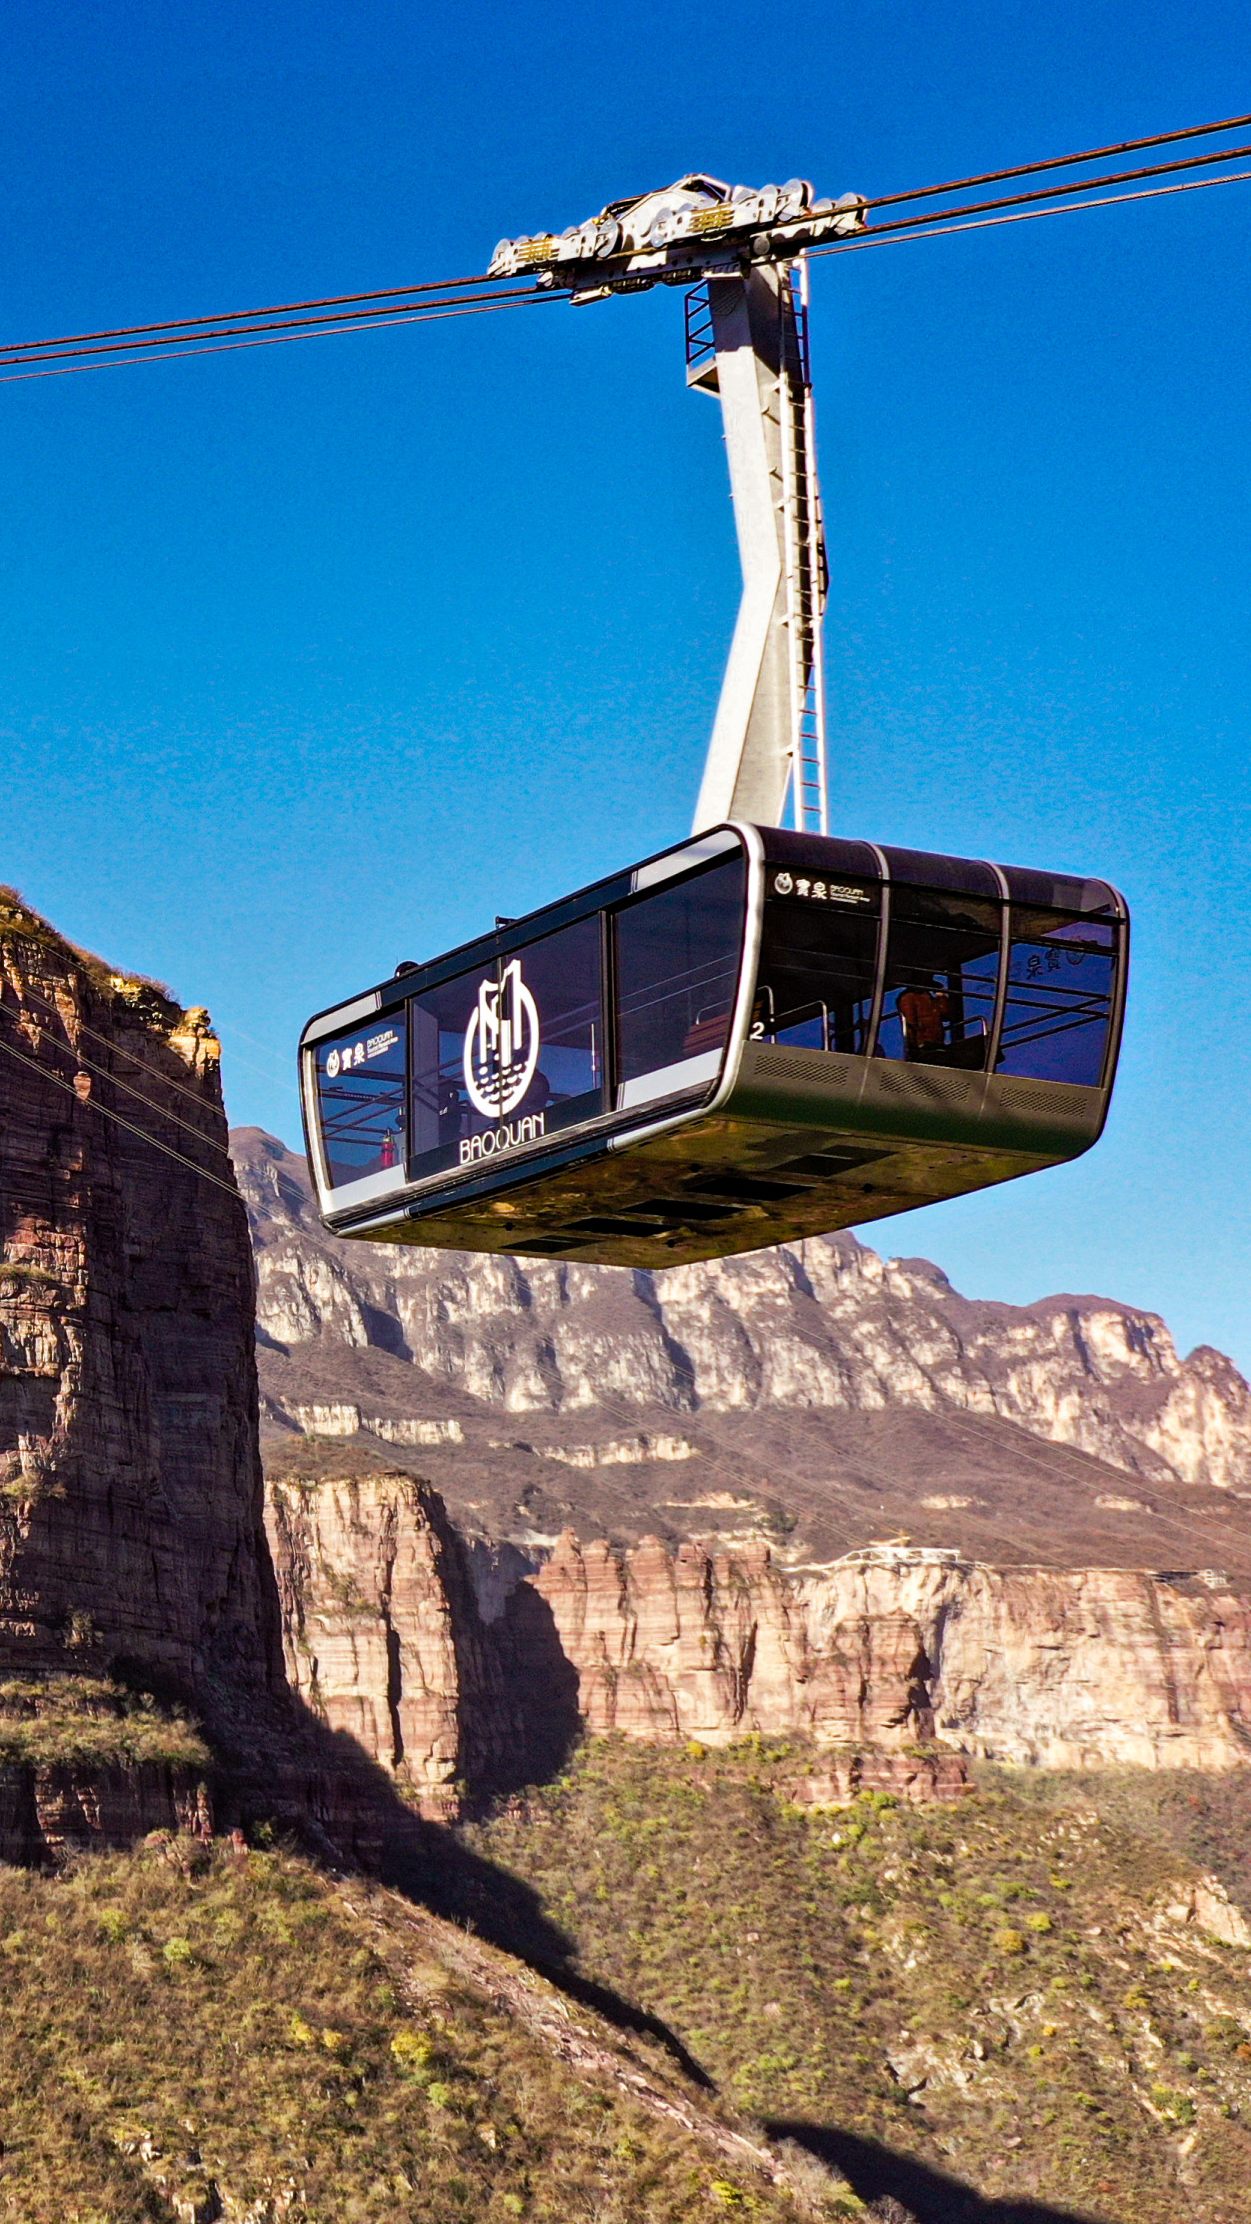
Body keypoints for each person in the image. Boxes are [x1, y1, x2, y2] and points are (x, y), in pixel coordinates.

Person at [897, 975, 949, 1060]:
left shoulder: (927, 995)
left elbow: (945, 1014)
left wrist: (941, 997)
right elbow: (911, 1020)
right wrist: (917, 1041)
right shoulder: (908, 997)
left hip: (937, 1038)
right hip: (923, 1042)